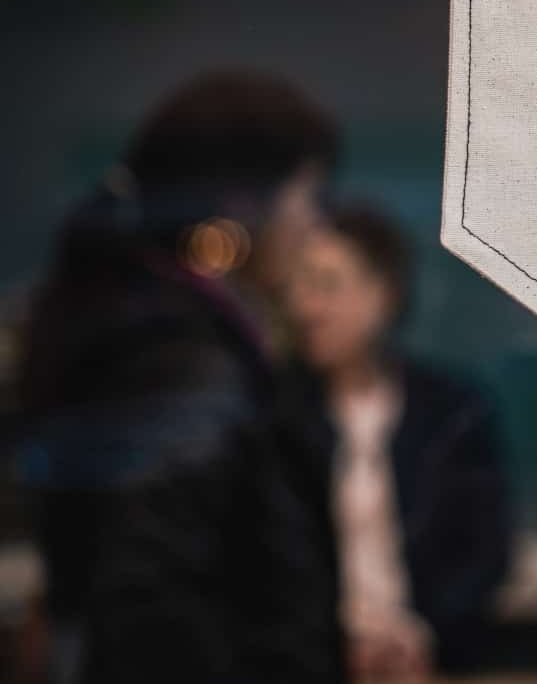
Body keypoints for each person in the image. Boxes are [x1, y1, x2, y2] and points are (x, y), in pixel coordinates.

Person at [13, 69, 342, 684]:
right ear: (246, 202)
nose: (315, 230)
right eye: (308, 198)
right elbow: (152, 600)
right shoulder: (180, 362)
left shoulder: (136, 321)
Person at [280, 204, 513, 683]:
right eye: (297, 287)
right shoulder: (275, 415)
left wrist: (421, 634)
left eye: (326, 285)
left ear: (381, 294)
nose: (305, 307)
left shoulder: (453, 412)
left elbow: (485, 552)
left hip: (431, 663)